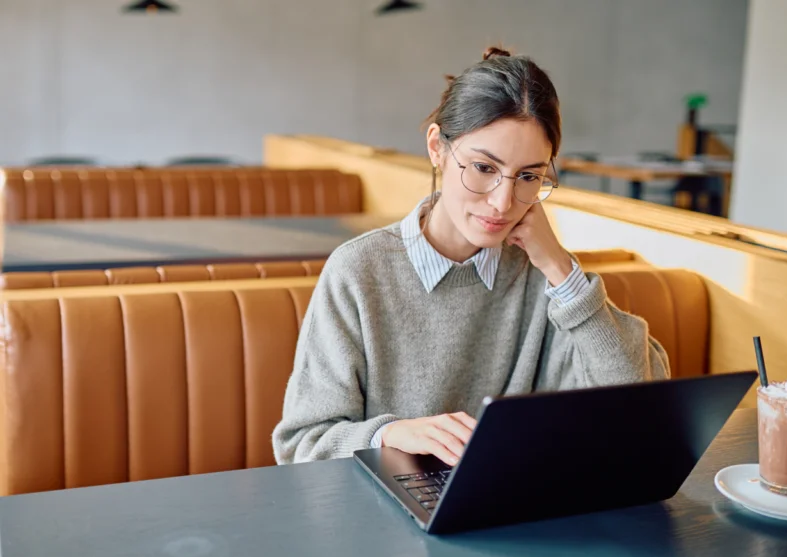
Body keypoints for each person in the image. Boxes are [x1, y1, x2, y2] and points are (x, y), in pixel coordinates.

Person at [272, 47, 670, 467]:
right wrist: (390, 433)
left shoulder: (543, 277)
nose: (502, 202)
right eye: (483, 167)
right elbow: (301, 446)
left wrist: (559, 268)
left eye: (529, 177)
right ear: (437, 149)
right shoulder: (359, 272)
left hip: (512, 511)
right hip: (383, 514)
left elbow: (636, 405)